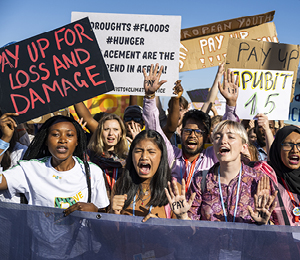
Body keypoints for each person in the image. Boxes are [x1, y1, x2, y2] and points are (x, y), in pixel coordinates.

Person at [142, 64, 239, 189]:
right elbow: (153, 129)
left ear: (206, 136)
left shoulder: (213, 156)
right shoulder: (172, 155)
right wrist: (150, 96)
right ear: (181, 132)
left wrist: (231, 104)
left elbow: (228, 132)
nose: (192, 135)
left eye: (198, 132)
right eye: (188, 130)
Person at [166, 120, 277, 224]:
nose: (223, 141)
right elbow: (193, 228)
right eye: (218, 137)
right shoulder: (201, 179)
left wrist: (264, 223)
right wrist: (182, 216)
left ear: (243, 147)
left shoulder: (259, 179)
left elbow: (277, 229)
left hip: (248, 244)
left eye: (231, 137)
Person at [0, 113, 109, 214]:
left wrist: (94, 210)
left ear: (77, 141)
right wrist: (5, 139)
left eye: (69, 135)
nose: (63, 140)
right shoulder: (30, 169)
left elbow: (103, 215)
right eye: (56, 134)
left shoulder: (92, 172)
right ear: (46, 141)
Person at [110, 130, 176, 221]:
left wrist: (162, 227)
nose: (144, 156)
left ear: (161, 156)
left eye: (151, 152)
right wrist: (114, 214)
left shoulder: (173, 189)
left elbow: (182, 234)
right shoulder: (121, 184)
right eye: (138, 151)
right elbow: (110, 233)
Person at [87, 113, 128, 202]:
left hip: (121, 207)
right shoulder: (90, 157)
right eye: (106, 129)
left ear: (121, 134)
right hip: (97, 206)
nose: (111, 133)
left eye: (116, 129)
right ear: (100, 133)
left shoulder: (128, 159)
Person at [269, 125, 300, 226]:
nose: (295, 150)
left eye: (299, 144)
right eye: (288, 144)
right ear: (278, 148)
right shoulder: (268, 180)